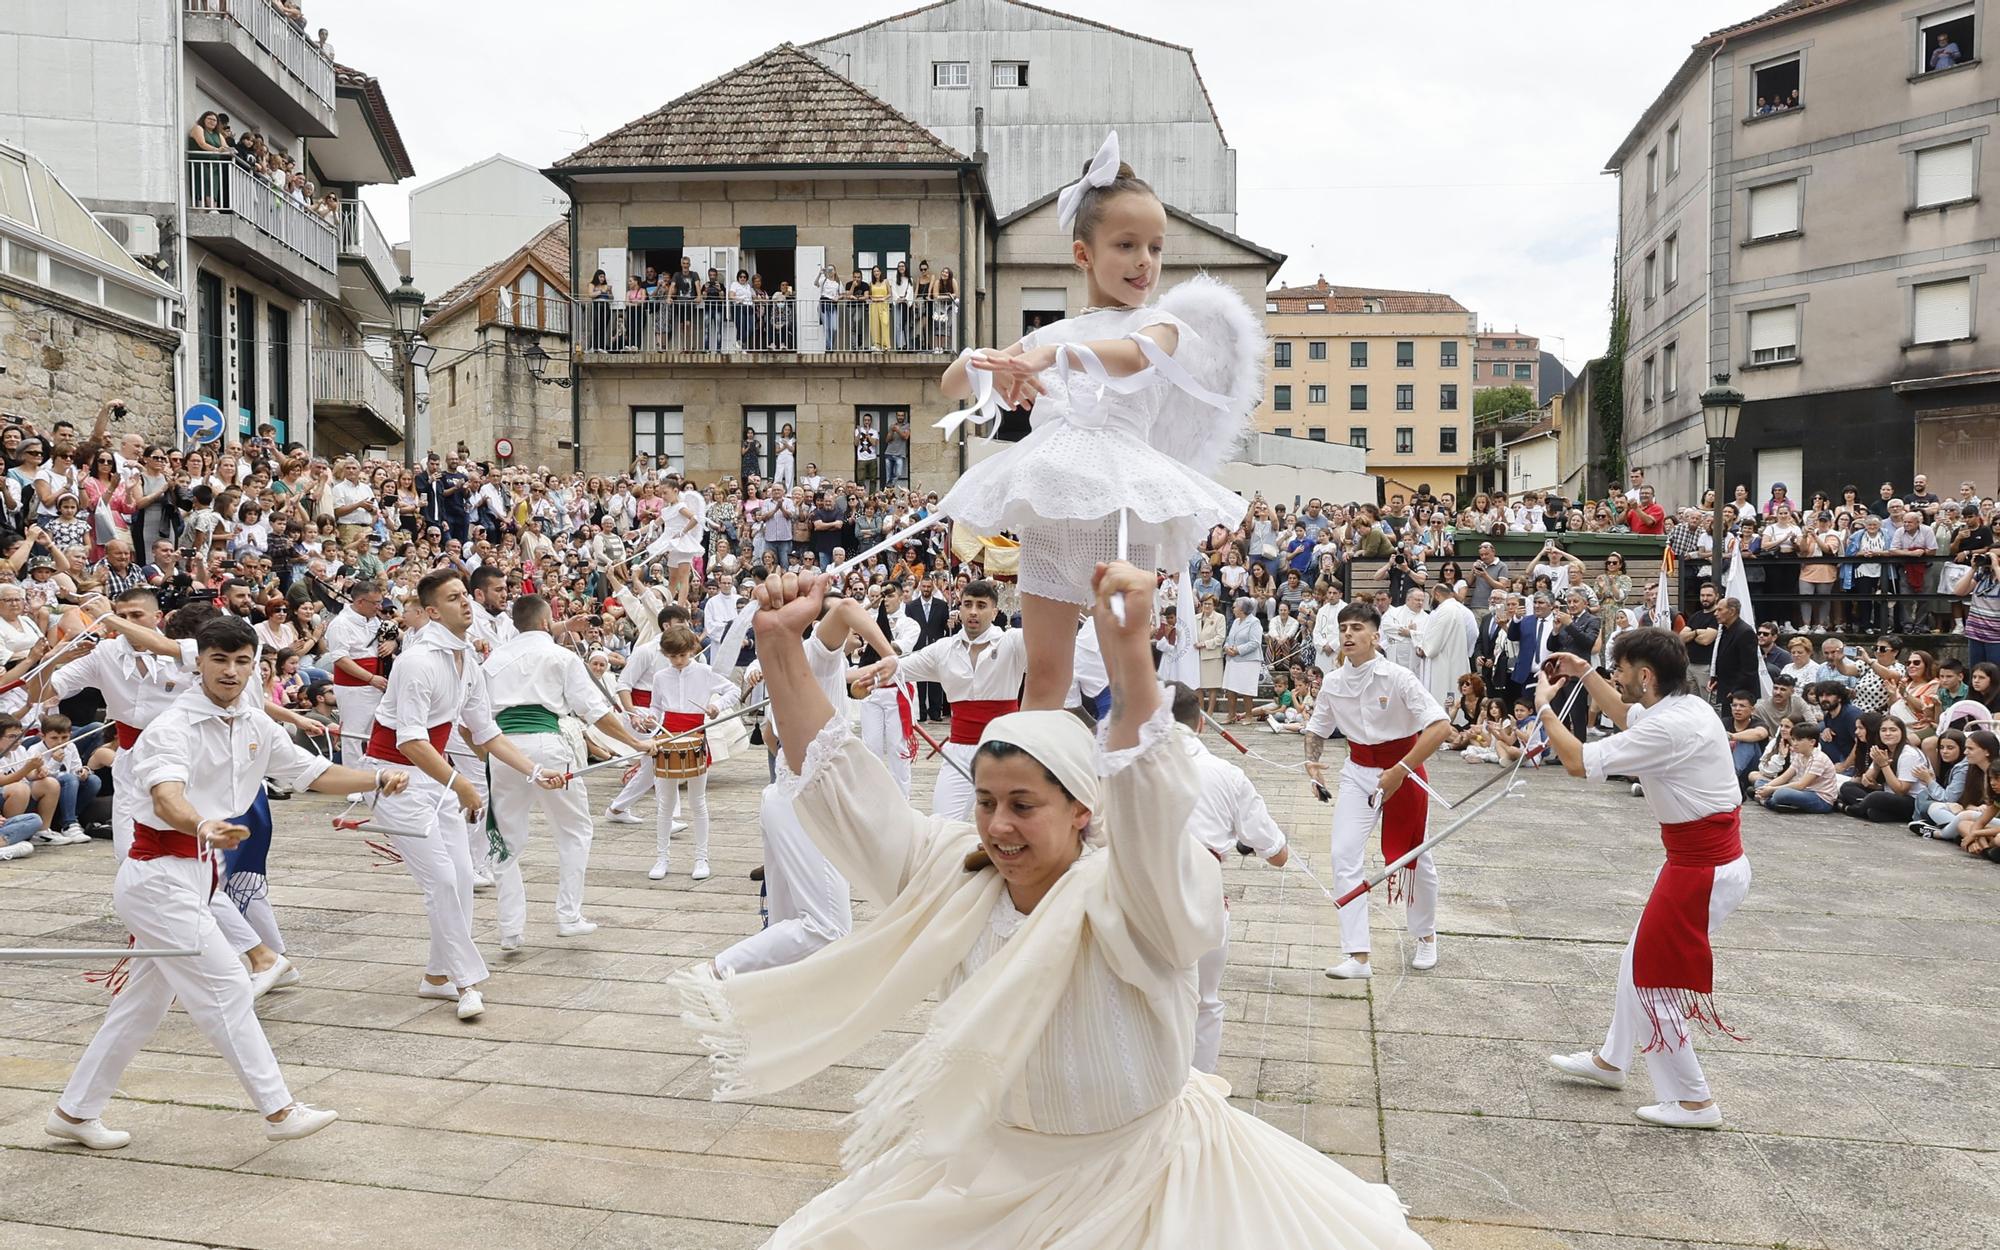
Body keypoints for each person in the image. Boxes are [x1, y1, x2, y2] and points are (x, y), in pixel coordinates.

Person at [674, 563, 1428, 1249]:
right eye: (986, 802)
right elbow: (841, 785)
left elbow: (1151, 812)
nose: (999, 826)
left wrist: (1132, 660)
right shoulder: (951, 872)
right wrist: (778, 646)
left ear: (1080, 810)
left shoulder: (1133, 894)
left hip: (1146, 1180)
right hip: (991, 1175)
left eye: (1023, 805)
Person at [47, 616, 410, 1151]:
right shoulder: (171, 729)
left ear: (255, 665)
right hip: (158, 880)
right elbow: (168, 797)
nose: (232, 671)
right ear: (198, 661)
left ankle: (74, 1114)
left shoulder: (255, 722)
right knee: (227, 987)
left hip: (196, 876)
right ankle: (279, 1109)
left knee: (140, 1007)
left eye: (243, 661)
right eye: (220, 660)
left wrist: (375, 776)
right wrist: (201, 824)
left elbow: (312, 774)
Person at [936, 133, 1261, 711]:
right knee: (1044, 678)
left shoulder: (1163, 325)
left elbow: (1134, 356)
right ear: (1084, 253)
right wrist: (987, 361)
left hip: (1121, 511)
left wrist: (1042, 358)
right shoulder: (1054, 333)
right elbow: (952, 386)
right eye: (1127, 244)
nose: (1145, 261)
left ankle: (1126, 790)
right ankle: (1047, 787)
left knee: (1126, 672)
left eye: (1156, 248)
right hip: (1053, 507)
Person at [1536, 630, 1750, 1130]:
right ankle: (1612, 1060)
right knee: (1636, 961)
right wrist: (1583, 672)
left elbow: (1577, 762)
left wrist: (1546, 708)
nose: (1617, 677)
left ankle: (1695, 1101)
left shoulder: (1670, 728)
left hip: (1702, 869)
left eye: (1621, 669)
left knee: (1655, 979)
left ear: (1646, 676)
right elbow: (1623, 712)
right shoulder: (1682, 707)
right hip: (1698, 861)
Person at [366, 569, 565, 1022]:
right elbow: (409, 742)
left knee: (459, 880)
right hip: (393, 780)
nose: (466, 604)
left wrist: (535, 770)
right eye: (454, 598)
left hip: (435, 779)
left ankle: (435, 976)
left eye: (465, 596)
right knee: (441, 881)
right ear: (432, 612)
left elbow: (487, 732)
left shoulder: (467, 661)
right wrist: (463, 786)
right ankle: (465, 981)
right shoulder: (417, 662)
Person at [483, 595, 660, 947]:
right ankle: (568, 915)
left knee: (507, 840)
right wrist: (636, 743)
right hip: (546, 745)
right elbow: (594, 711)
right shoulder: (560, 656)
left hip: (502, 748)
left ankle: (510, 929)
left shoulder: (493, 659)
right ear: (547, 621)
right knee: (575, 830)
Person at [1302, 601, 1451, 979]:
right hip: (1358, 772)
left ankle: (1426, 935)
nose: (1348, 635)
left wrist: (1400, 770)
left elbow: (1439, 726)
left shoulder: (1398, 677)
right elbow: (1316, 730)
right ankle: (1357, 956)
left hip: (1405, 767)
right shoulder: (1333, 682)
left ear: (1375, 636)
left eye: (1356, 628)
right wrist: (1312, 763)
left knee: (1415, 859)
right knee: (1343, 853)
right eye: (1343, 629)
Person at [1168, 681, 1288, 1073]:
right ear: (1200, 725)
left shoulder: (1119, 767)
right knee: (1205, 1001)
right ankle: (1199, 1096)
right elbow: (1277, 854)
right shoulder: (1226, 774)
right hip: (1199, 897)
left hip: (1134, 894)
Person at [894, 579, 1026, 820]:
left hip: (1005, 751)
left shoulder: (1014, 642)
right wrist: (846, 674)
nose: (973, 611)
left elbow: (1051, 643)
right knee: (941, 823)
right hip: (958, 752)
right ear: (959, 608)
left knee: (1008, 826)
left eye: (981, 605)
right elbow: (896, 668)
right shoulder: (943, 649)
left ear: (994, 611)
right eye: (968, 604)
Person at [637, 624, 738, 881]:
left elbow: (733, 691)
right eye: (672, 657)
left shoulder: (705, 672)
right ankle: (662, 858)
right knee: (665, 804)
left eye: (682, 655)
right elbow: (656, 707)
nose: (678, 661)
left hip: (694, 736)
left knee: (697, 801)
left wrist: (716, 705)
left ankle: (701, 857)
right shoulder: (660, 676)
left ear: (691, 650)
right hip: (667, 738)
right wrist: (650, 720)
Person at [321, 580, 396, 762]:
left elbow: (388, 635)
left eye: (380, 602)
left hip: (377, 683)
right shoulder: (341, 624)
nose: (379, 607)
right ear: (360, 602)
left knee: (375, 733)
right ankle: (353, 781)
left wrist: (391, 643)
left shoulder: (374, 620)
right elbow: (340, 659)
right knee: (354, 736)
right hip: (355, 687)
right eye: (375, 603)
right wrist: (370, 678)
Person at [1220, 597, 1264, 722]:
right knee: (1230, 688)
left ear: (1242, 609)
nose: (1233, 608)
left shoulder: (1254, 622)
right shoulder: (1235, 622)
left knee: (1246, 688)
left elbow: (1255, 642)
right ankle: (1231, 715)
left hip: (1248, 660)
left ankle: (1249, 716)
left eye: (1235, 606)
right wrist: (1227, 648)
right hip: (1232, 659)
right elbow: (1229, 638)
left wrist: (1237, 649)